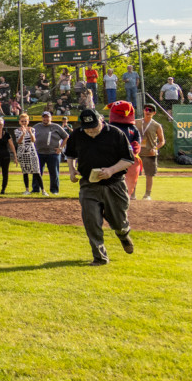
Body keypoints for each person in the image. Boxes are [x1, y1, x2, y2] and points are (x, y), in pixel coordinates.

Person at [65, 109, 136, 265]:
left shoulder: (116, 134)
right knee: (91, 221)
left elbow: (128, 159)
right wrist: (72, 169)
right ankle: (99, 257)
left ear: (101, 120)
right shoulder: (77, 135)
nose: (90, 130)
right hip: (89, 185)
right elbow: (70, 154)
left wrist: (111, 170)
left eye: (94, 126)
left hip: (114, 184)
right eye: (87, 127)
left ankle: (123, 234)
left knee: (118, 222)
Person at [107, 100, 142, 198]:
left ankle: (131, 194)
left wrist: (135, 148)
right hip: (114, 156)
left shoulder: (133, 128)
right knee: (114, 175)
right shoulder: (110, 127)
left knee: (132, 174)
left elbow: (137, 140)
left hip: (129, 155)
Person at [32, 111, 70, 194]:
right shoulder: (36, 127)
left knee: (54, 173)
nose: (45, 119)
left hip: (53, 153)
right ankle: (35, 189)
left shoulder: (56, 126)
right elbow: (31, 137)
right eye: (44, 117)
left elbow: (66, 136)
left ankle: (54, 190)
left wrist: (61, 148)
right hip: (39, 153)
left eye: (47, 117)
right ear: (42, 118)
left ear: (50, 118)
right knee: (37, 172)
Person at [139, 103, 166, 198]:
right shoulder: (136, 122)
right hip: (137, 153)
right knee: (133, 174)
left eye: (150, 110)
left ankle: (147, 195)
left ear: (154, 113)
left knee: (149, 175)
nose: (148, 112)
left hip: (150, 153)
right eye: (146, 109)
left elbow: (162, 141)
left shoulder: (157, 125)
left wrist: (155, 148)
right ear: (143, 111)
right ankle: (132, 194)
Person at [14, 113, 40, 192]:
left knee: (36, 171)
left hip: (31, 151)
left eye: (25, 121)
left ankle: (42, 190)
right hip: (22, 152)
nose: (24, 123)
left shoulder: (32, 129)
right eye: (22, 121)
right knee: (25, 171)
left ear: (28, 121)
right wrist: (23, 134)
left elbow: (33, 140)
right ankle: (27, 190)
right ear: (19, 122)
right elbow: (18, 141)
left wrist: (30, 133)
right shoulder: (17, 130)